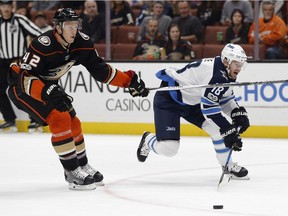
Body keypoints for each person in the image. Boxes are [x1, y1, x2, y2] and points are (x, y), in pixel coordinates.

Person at [7, 8, 149, 190]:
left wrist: (129, 82)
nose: (74, 31)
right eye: (69, 26)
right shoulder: (42, 44)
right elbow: (24, 77)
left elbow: (102, 71)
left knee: (74, 122)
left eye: (76, 25)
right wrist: (45, 92)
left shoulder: (82, 42)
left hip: (50, 87)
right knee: (60, 118)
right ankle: (71, 171)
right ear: (58, 28)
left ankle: (81, 165)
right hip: (23, 89)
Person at [137, 43, 250, 180]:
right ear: (226, 61)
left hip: (194, 102)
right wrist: (228, 128)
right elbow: (209, 109)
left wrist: (236, 112)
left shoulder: (224, 71)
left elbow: (225, 98)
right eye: (237, 64)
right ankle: (147, 139)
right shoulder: (216, 75)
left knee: (216, 130)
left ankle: (227, 165)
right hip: (169, 100)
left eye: (241, 64)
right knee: (169, 148)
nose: (239, 68)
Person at [0, 0, 43, 132]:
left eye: (8, 6)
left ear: (12, 7)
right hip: (2, 61)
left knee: (26, 89)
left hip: (18, 61)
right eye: (3, 6)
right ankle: (9, 119)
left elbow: (37, 33)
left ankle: (36, 119)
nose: (6, 9)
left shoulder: (19, 19)